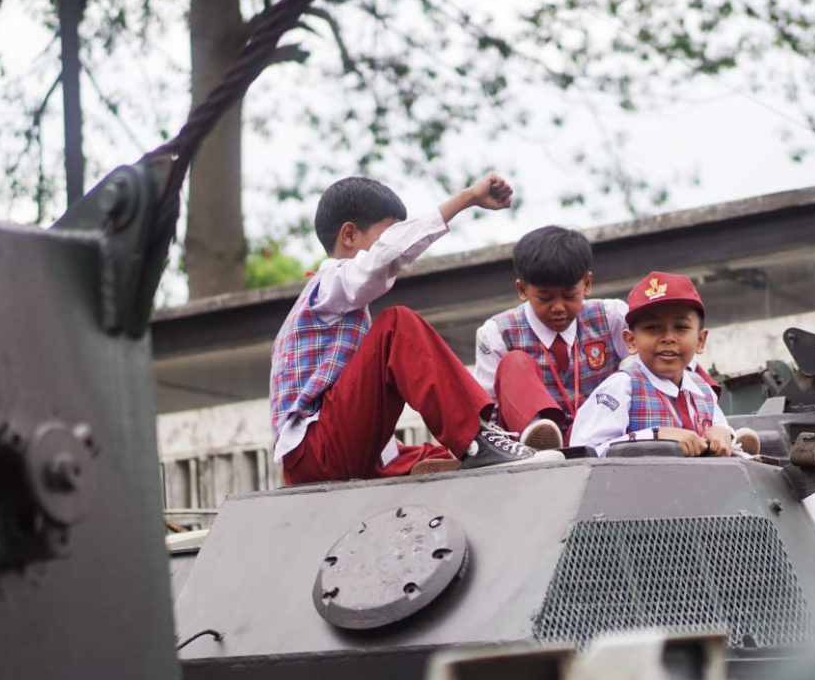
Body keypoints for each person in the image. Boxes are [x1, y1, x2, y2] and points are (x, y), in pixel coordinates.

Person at [270, 173, 556, 485]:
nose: (394, 249)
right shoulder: (329, 285)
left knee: (435, 457)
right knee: (397, 326)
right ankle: (476, 438)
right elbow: (383, 259)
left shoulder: (332, 304)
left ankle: (496, 449)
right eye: (388, 236)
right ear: (349, 235)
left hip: (337, 452)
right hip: (315, 453)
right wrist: (468, 198)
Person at [472, 226, 630, 449]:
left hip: (599, 438)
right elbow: (487, 412)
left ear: (587, 284)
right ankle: (539, 435)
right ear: (522, 290)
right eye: (544, 298)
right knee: (515, 363)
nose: (558, 308)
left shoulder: (612, 317)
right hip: (527, 449)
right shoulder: (497, 333)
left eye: (569, 296)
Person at [569, 271, 735, 458]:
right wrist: (653, 437)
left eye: (681, 327)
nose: (668, 338)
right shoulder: (622, 388)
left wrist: (723, 434)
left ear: (700, 340)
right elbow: (583, 453)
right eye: (652, 328)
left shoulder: (704, 392)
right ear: (630, 341)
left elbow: (724, 441)